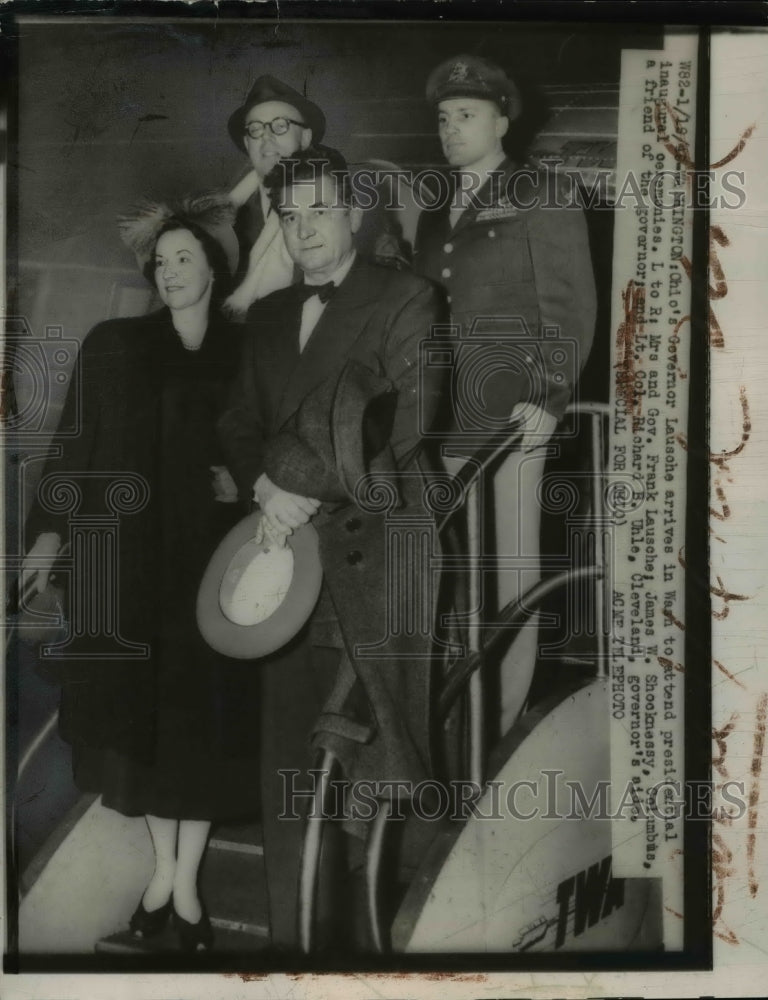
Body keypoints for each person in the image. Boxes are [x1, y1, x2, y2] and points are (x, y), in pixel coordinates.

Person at [218, 148, 445, 951]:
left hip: (373, 559)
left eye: (319, 209)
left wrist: (302, 486)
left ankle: (364, 951)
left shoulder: (407, 296)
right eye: (290, 214)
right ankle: (293, 947)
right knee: (287, 764)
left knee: (363, 761)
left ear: (354, 213)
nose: (305, 227)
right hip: (283, 560)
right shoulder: (271, 316)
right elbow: (239, 424)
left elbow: (408, 421)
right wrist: (265, 489)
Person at [22, 201, 262, 953]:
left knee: (206, 729)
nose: (171, 271)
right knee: (151, 732)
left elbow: (274, 440)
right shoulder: (116, 343)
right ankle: (173, 886)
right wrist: (49, 535)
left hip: (221, 568)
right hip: (132, 569)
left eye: (186, 257)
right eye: (161, 261)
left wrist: (246, 481)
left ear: (215, 266)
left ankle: (176, 890)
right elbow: (72, 443)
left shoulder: (247, 349)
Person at [414, 54, 597, 737]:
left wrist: (548, 397)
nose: (450, 129)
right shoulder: (435, 210)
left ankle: (498, 727)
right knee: (454, 581)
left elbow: (568, 303)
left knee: (510, 579)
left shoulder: (543, 190)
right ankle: (454, 727)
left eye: (465, 116)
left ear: (501, 120)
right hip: (440, 419)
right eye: (442, 118)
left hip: (511, 416)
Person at [222, 75, 323, 317]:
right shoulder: (220, 220)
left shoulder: (333, 210)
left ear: (305, 138)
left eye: (280, 126)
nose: (266, 138)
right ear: (248, 144)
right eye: (256, 129)